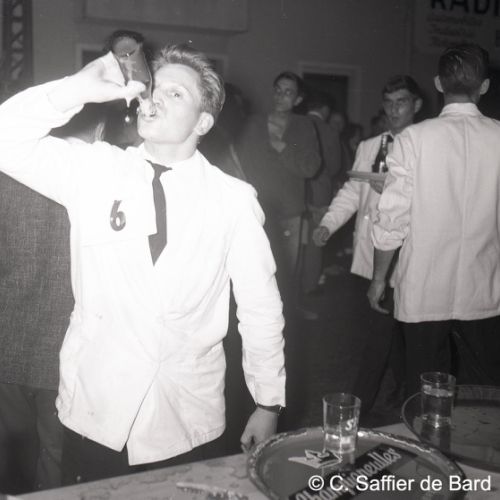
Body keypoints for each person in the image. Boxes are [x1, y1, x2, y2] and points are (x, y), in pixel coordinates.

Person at [0, 44, 285, 483]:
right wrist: (78, 88)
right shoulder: (95, 170)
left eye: (176, 94)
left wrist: (267, 403)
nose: (155, 99)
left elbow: (260, 307)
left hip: (185, 410)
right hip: (97, 407)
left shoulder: (233, 200)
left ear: (203, 122)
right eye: (155, 88)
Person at [368, 43, 500, 397]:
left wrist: (379, 278)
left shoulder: (414, 138)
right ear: (485, 86)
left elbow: (392, 219)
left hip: (424, 287)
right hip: (485, 287)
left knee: (425, 389)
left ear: (438, 83)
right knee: (485, 393)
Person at [0, 103, 106, 494]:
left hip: (6, 345)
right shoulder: (102, 185)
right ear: (99, 131)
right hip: (67, 353)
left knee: (9, 457)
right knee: (57, 460)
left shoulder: (7, 174)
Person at [313, 75, 423, 411]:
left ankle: (355, 407)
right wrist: (328, 224)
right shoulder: (369, 146)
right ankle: (405, 391)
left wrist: (391, 189)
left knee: (380, 333)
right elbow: (352, 191)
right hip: (371, 255)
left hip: (405, 254)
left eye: (401, 102)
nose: (393, 110)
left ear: (417, 105)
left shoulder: (425, 145)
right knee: (388, 329)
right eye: (388, 103)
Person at [237, 71, 321, 319]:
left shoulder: (304, 126)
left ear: (298, 99)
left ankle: (287, 321)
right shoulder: (253, 123)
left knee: (287, 273)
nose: (281, 96)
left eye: (288, 92)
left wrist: (281, 147)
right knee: (253, 272)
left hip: (289, 212)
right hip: (257, 210)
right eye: (278, 90)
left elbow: (311, 167)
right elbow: (241, 162)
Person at [302, 93, 342, 294]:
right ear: (325, 109)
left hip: (296, 189)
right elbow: (334, 166)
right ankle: (309, 286)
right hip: (319, 191)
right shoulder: (329, 130)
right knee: (314, 242)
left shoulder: (295, 123)